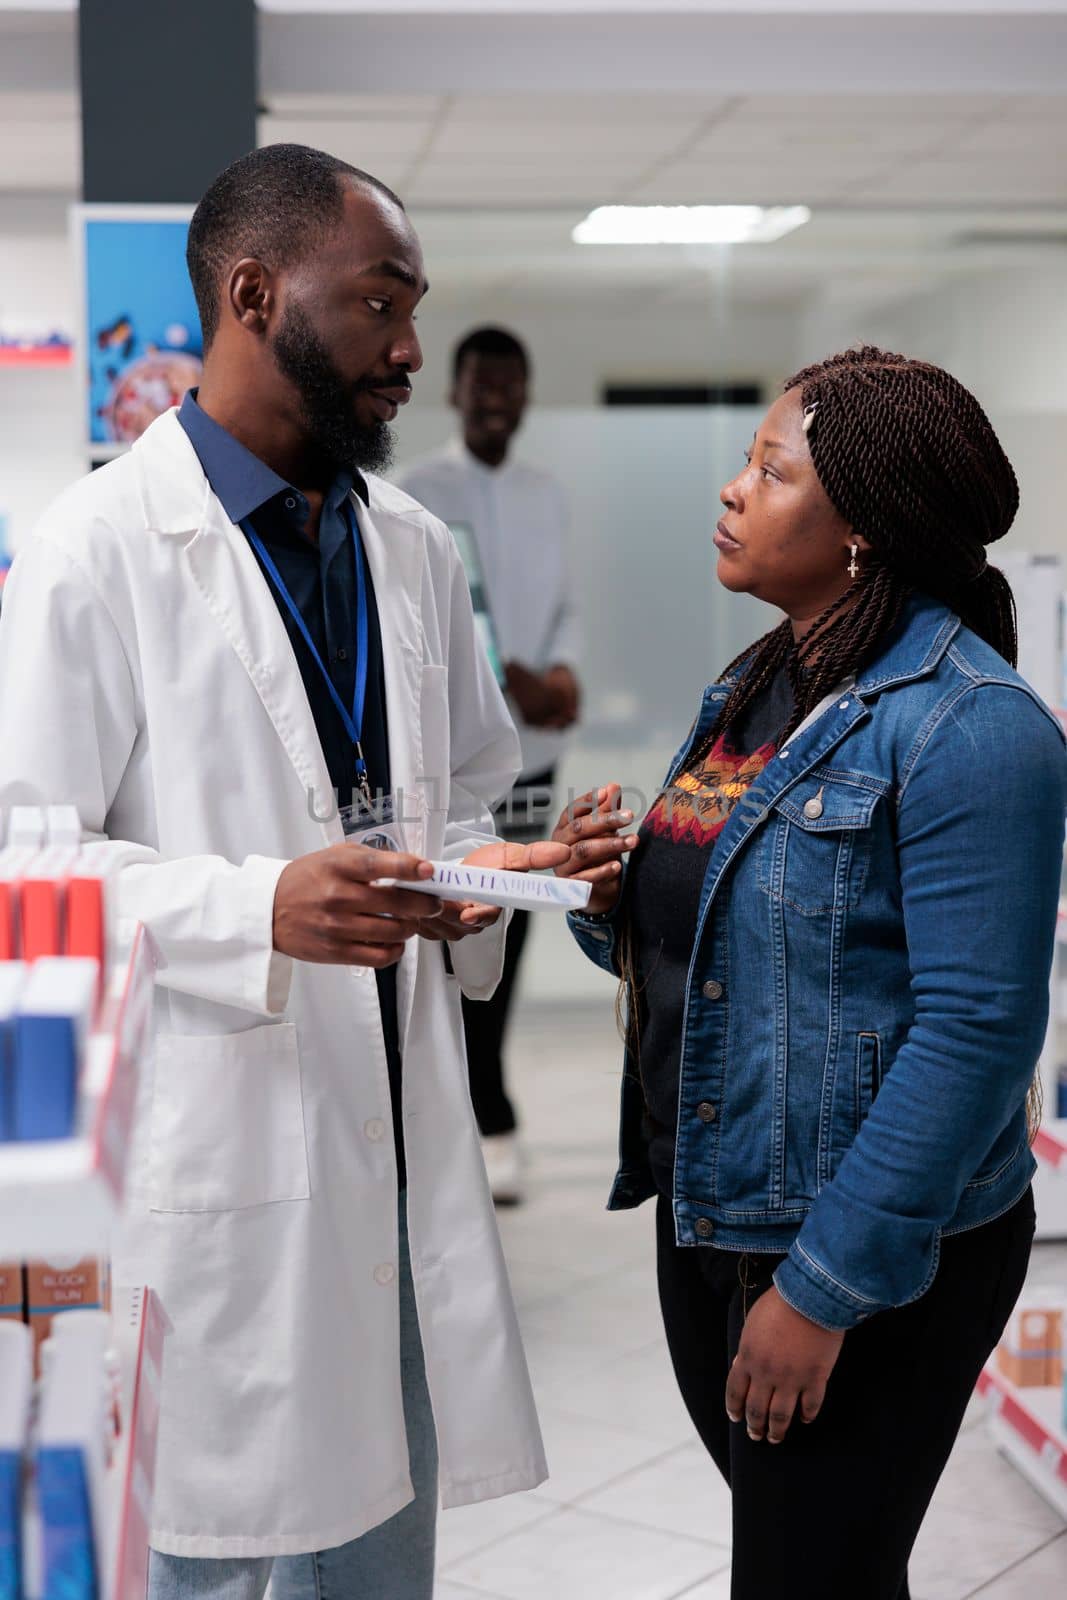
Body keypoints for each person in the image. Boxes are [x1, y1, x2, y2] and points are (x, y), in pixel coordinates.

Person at [0, 144, 568, 1600]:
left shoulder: (416, 549)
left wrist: (502, 870)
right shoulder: (96, 554)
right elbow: (21, 869)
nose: (410, 348)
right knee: (234, 1558)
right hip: (225, 1165)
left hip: (393, 1141)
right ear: (252, 295)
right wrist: (255, 905)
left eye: (416, 304)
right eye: (379, 302)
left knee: (387, 1548)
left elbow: (448, 801)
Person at [551, 347, 1067, 1599]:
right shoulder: (762, 681)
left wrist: (822, 1290)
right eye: (746, 460)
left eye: (770, 470)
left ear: (860, 530)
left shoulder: (969, 724)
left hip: (856, 1252)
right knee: (813, 1563)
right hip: (716, 1214)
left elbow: (978, 1035)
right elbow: (713, 939)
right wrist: (599, 893)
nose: (732, 489)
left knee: (804, 1574)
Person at [398, 327, 580, 1205]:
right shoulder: (414, 492)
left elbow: (564, 608)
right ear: (457, 391)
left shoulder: (546, 493)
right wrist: (508, 677)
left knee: (520, 906)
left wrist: (560, 676)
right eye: (482, 385)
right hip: (457, 754)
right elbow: (431, 625)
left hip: (537, 749)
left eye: (512, 385)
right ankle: (474, 1109)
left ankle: (489, 1103)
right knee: (461, 911)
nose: (497, 400)